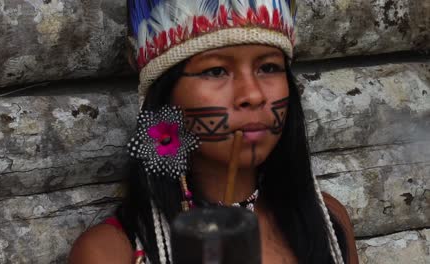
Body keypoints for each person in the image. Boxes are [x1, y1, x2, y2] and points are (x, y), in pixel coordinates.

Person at [69, 0, 359, 263]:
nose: (253, 95)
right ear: (165, 98)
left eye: (269, 67)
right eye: (216, 71)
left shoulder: (328, 222)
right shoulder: (111, 253)